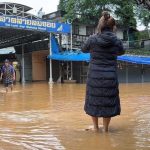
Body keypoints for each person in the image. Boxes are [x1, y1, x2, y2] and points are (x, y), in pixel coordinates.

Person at [82, 11, 125, 132]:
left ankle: (95, 128)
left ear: (99, 25)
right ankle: (105, 129)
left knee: (93, 101)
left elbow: (83, 49)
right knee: (108, 102)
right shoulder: (116, 41)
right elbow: (122, 52)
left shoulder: (92, 39)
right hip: (110, 77)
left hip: (94, 76)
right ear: (113, 27)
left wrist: (93, 40)